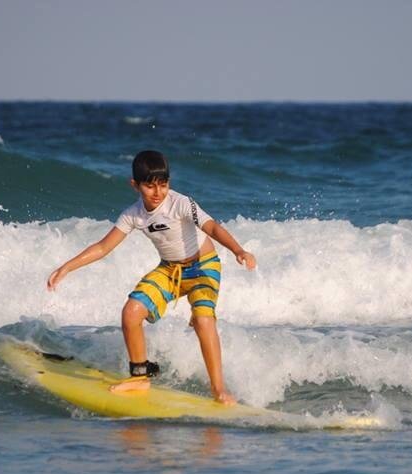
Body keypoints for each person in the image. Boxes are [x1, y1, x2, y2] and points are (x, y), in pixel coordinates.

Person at [46, 150, 256, 404]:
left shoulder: (180, 203)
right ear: (135, 185)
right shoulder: (133, 214)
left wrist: (238, 250)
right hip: (169, 270)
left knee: (203, 320)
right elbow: (103, 247)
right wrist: (67, 267)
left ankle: (219, 389)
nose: (157, 192)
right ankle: (139, 377)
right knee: (131, 312)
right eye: (149, 186)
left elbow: (210, 226)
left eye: (163, 185)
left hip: (203, 266)